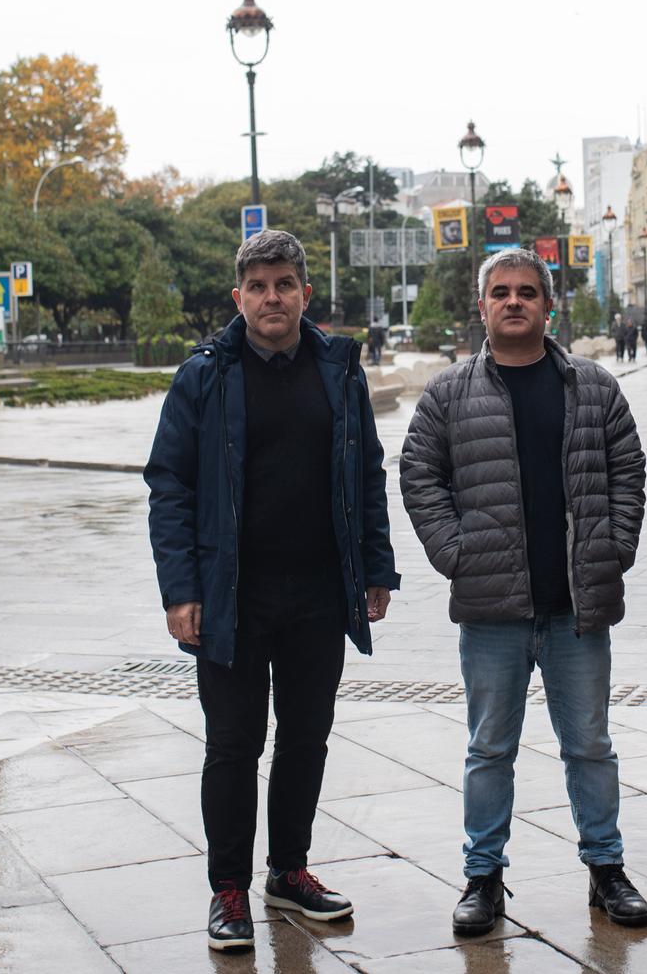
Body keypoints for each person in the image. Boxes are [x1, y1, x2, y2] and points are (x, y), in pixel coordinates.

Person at [145, 230, 401, 954]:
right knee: (233, 742)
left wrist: (375, 566)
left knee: (306, 736)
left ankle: (288, 869)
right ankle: (228, 887)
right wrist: (180, 590)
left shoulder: (338, 369)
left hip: (319, 588)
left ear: (305, 293)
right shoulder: (205, 374)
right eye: (257, 286)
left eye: (284, 284)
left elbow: (367, 473)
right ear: (238, 297)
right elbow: (170, 485)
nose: (272, 298)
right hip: (232, 592)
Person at [401, 248, 647, 937]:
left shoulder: (594, 386)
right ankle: (483, 877)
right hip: (493, 611)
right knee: (489, 748)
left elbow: (628, 468)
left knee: (591, 745)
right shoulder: (449, 393)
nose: (515, 301)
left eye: (528, 292)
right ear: (482, 306)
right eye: (501, 292)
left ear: (548, 304)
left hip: (578, 608)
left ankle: (607, 869)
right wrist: (455, 552)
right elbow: (419, 474)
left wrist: (615, 546)